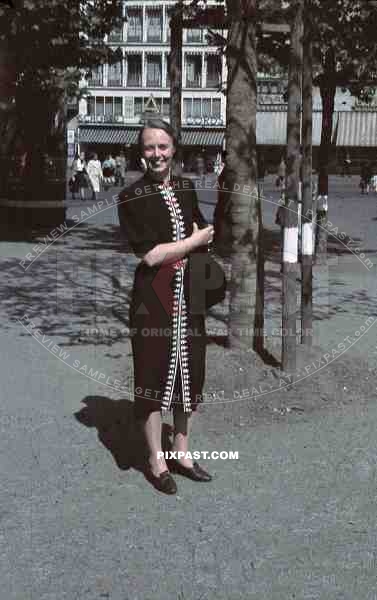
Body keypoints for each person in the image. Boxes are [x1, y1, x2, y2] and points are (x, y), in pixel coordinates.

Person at [118, 118, 214, 494]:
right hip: (152, 300)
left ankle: (182, 452)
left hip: (190, 297)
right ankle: (156, 461)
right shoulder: (130, 197)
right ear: (141, 153)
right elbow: (151, 255)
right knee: (152, 376)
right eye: (149, 147)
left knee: (190, 372)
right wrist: (192, 243)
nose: (156, 154)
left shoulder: (188, 188)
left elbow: (202, 231)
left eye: (162, 146)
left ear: (174, 148)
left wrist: (200, 240)